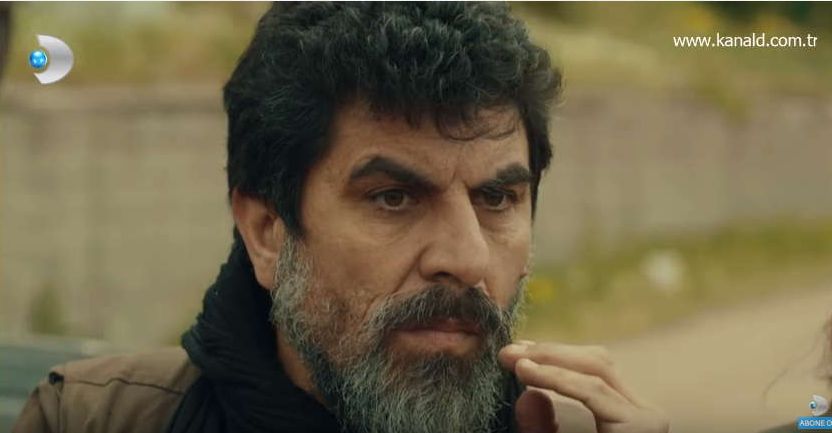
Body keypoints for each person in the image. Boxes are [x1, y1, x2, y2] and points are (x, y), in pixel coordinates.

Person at [13, 3, 669, 433]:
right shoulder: (95, 418)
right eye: (394, 198)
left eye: (497, 199)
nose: (467, 258)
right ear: (267, 233)